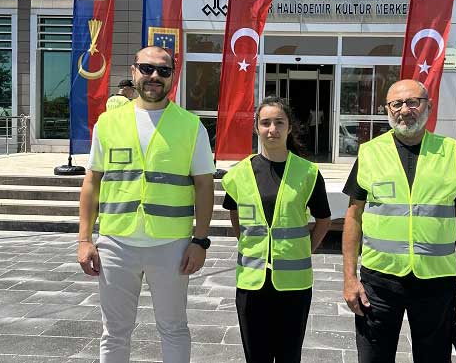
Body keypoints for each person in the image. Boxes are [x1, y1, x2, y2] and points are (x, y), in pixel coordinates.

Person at [78, 46, 215, 363]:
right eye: (147, 68)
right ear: (134, 70)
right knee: (114, 332)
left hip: (172, 245)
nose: (154, 76)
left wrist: (200, 240)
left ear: (172, 76)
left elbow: (204, 186)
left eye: (163, 71)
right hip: (116, 243)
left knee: (174, 328)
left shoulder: (190, 126)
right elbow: (92, 182)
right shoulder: (108, 124)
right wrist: (85, 239)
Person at [341, 79, 456, 362]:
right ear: (388, 110)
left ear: (428, 106)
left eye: (413, 102)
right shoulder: (369, 152)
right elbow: (354, 216)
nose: (405, 110)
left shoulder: (452, 153)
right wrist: (349, 278)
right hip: (379, 282)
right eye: (397, 104)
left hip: (436, 283)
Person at [221, 96, 332, 363]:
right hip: (251, 281)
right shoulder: (238, 173)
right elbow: (234, 213)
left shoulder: (308, 172)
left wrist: (305, 249)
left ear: (289, 127)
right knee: (255, 355)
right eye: (266, 123)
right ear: (256, 128)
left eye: (279, 122)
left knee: (289, 355)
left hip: (294, 284)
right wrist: (249, 243)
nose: (272, 129)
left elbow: (324, 219)